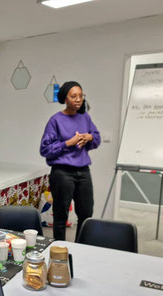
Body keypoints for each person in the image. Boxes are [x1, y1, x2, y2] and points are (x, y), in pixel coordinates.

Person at [40, 81, 101, 240]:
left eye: (81, 96)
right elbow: (45, 149)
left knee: (86, 214)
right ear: (65, 99)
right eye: (74, 96)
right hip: (62, 173)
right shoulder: (55, 120)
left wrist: (89, 137)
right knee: (61, 216)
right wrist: (69, 143)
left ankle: (81, 246)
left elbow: (97, 138)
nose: (78, 99)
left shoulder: (85, 117)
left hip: (84, 172)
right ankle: (60, 250)